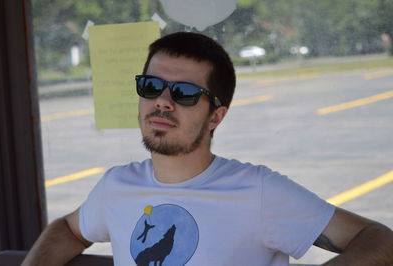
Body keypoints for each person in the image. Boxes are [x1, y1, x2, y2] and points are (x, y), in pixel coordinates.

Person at [22, 32, 393, 266]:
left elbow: (377, 239)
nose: (163, 102)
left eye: (183, 93)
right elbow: (69, 230)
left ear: (216, 116)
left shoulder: (257, 190)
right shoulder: (116, 186)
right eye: (152, 86)